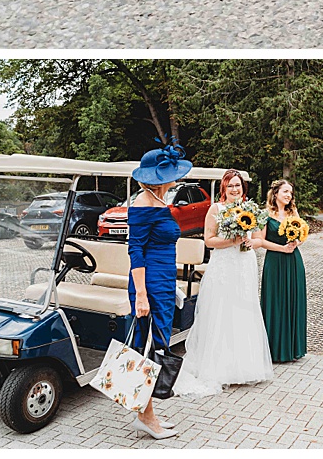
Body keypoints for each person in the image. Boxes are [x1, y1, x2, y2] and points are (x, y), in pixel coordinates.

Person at [180, 169, 273, 394]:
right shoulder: (216, 209)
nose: (234, 189)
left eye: (237, 185)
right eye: (230, 185)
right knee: (222, 311)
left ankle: (245, 366)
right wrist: (232, 240)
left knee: (244, 310)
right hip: (223, 265)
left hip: (245, 264)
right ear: (224, 188)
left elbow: (260, 237)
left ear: (243, 188)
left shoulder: (251, 209)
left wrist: (252, 242)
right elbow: (209, 240)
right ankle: (219, 367)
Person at [126, 141, 195, 441]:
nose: (175, 178)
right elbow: (135, 251)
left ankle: (147, 413)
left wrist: (174, 284)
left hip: (164, 282)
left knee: (157, 346)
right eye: (171, 174)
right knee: (148, 349)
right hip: (150, 284)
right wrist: (141, 294)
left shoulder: (159, 201)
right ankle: (147, 416)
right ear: (159, 177)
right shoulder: (143, 204)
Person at [260, 179, 307, 364]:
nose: (288, 195)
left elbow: (303, 234)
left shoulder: (293, 212)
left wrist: (297, 243)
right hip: (274, 260)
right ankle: (273, 348)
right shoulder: (265, 214)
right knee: (275, 301)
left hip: (293, 261)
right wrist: (281, 248)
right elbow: (261, 241)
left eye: (291, 192)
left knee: (293, 299)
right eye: (285, 191)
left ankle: (293, 348)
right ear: (276, 193)